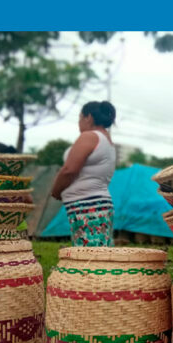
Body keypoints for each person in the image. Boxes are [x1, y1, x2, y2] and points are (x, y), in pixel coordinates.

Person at [50, 101, 118, 247]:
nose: (79, 123)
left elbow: (69, 170)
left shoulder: (90, 136)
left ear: (89, 118)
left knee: (89, 257)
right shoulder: (105, 139)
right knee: (96, 254)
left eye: (80, 118)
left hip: (88, 205)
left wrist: (56, 191)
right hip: (93, 204)